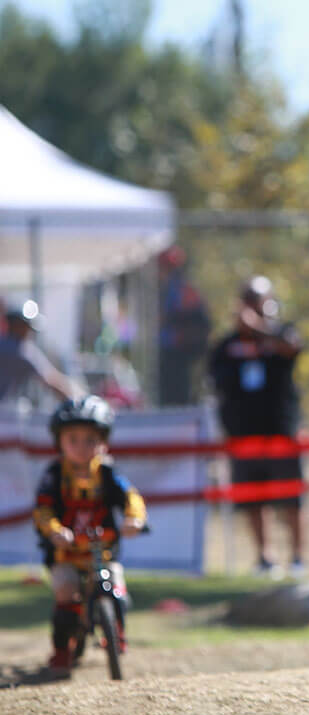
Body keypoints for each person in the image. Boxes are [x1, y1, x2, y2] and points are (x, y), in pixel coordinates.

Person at [32, 395, 147, 674]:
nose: (82, 447)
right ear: (59, 441)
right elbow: (43, 509)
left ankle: (116, 632)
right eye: (73, 439)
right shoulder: (54, 475)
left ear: (103, 441)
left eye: (90, 440)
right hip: (66, 552)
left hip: (101, 550)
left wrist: (135, 518)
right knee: (66, 590)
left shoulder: (108, 472)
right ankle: (61, 649)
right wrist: (55, 531)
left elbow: (131, 496)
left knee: (116, 584)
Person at [208, 275, 306, 577]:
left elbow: (292, 348)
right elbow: (215, 379)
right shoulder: (226, 345)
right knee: (253, 499)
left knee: (291, 498)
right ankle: (265, 558)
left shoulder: (280, 333)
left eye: (257, 300)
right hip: (244, 436)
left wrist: (259, 330)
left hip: (281, 432)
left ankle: (298, 559)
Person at [157, 245, 211, 406]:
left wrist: (171, 320)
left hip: (178, 351)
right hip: (163, 351)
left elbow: (199, 321)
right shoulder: (159, 288)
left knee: (178, 394)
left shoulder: (184, 290)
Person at [0, 301, 79, 404]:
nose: (28, 332)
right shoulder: (19, 349)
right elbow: (53, 380)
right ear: (17, 326)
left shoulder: (5, 344)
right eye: (26, 327)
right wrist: (77, 402)